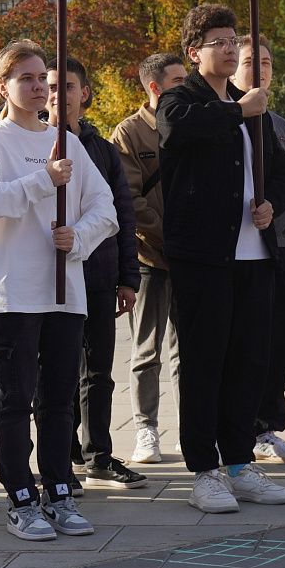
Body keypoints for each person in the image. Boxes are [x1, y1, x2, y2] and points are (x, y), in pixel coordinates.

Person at [0, 43, 115, 541]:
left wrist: (79, 238)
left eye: (43, 81)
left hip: (63, 291)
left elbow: (106, 208)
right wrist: (41, 179)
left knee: (59, 400)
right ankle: (21, 496)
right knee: (14, 398)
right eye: (26, 79)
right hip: (13, 292)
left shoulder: (67, 141)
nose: (38, 88)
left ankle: (59, 489)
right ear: (2, 86)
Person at [157, 3, 285, 514]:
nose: (229, 47)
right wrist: (240, 110)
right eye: (217, 40)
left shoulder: (250, 108)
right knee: (204, 363)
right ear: (194, 52)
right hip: (202, 256)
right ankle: (204, 470)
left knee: (248, 361)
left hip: (254, 256)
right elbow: (176, 129)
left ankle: (240, 463)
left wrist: (270, 205)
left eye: (233, 39)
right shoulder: (182, 100)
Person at [48, 60, 144, 491]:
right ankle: (60, 456)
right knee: (54, 373)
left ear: (83, 93)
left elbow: (122, 212)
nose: (56, 94)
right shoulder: (25, 144)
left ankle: (98, 455)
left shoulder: (102, 149)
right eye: (48, 86)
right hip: (47, 279)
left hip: (100, 278)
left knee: (98, 372)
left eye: (66, 86)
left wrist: (129, 277)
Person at [234, 35, 285, 466]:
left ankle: (268, 428)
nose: (258, 70)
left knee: (280, 341)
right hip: (240, 251)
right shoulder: (225, 118)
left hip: (277, 249)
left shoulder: (281, 128)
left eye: (265, 62)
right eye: (248, 61)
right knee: (246, 345)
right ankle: (241, 430)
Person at [110, 52, 186, 466]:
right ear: (154, 87)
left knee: (186, 349)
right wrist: (166, 234)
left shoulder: (192, 124)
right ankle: (146, 429)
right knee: (146, 350)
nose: (185, 87)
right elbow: (130, 199)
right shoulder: (130, 133)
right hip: (150, 257)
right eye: (177, 81)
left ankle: (189, 427)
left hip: (191, 257)